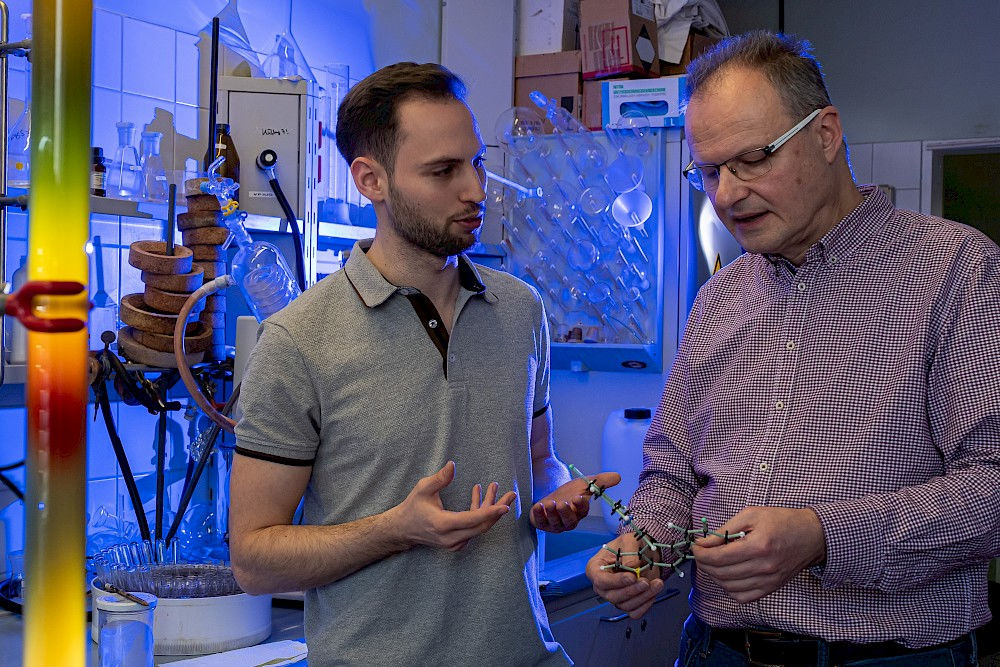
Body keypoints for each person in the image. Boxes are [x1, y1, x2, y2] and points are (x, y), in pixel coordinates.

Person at [586, 30, 1000, 666]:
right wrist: (646, 548)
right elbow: (672, 474)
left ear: (826, 135)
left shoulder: (953, 270)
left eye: (753, 160)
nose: (726, 195)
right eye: (709, 171)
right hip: (715, 651)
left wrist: (823, 536)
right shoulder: (719, 297)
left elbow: (992, 489)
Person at [229, 62, 618, 666]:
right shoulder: (298, 341)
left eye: (477, 164)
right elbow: (254, 560)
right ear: (370, 180)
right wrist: (397, 529)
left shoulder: (520, 310)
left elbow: (538, 458)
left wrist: (555, 496)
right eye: (443, 171)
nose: (476, 190)